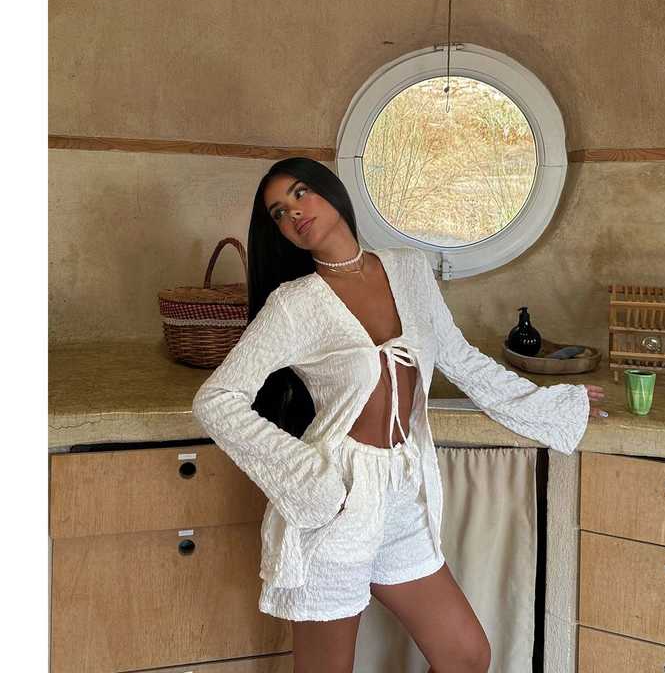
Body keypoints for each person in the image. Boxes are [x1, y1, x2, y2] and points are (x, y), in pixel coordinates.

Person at [192, 157, 607, 673]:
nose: (293, 212)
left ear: (331, 191)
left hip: (402, 490)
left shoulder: (408, 269)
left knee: (465, 656)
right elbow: (217, 399)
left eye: (300, 193)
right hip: (337, 499)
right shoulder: (294, 304)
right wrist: (312, 480)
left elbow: (460, 359)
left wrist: (554, 405)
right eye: (278, 212)